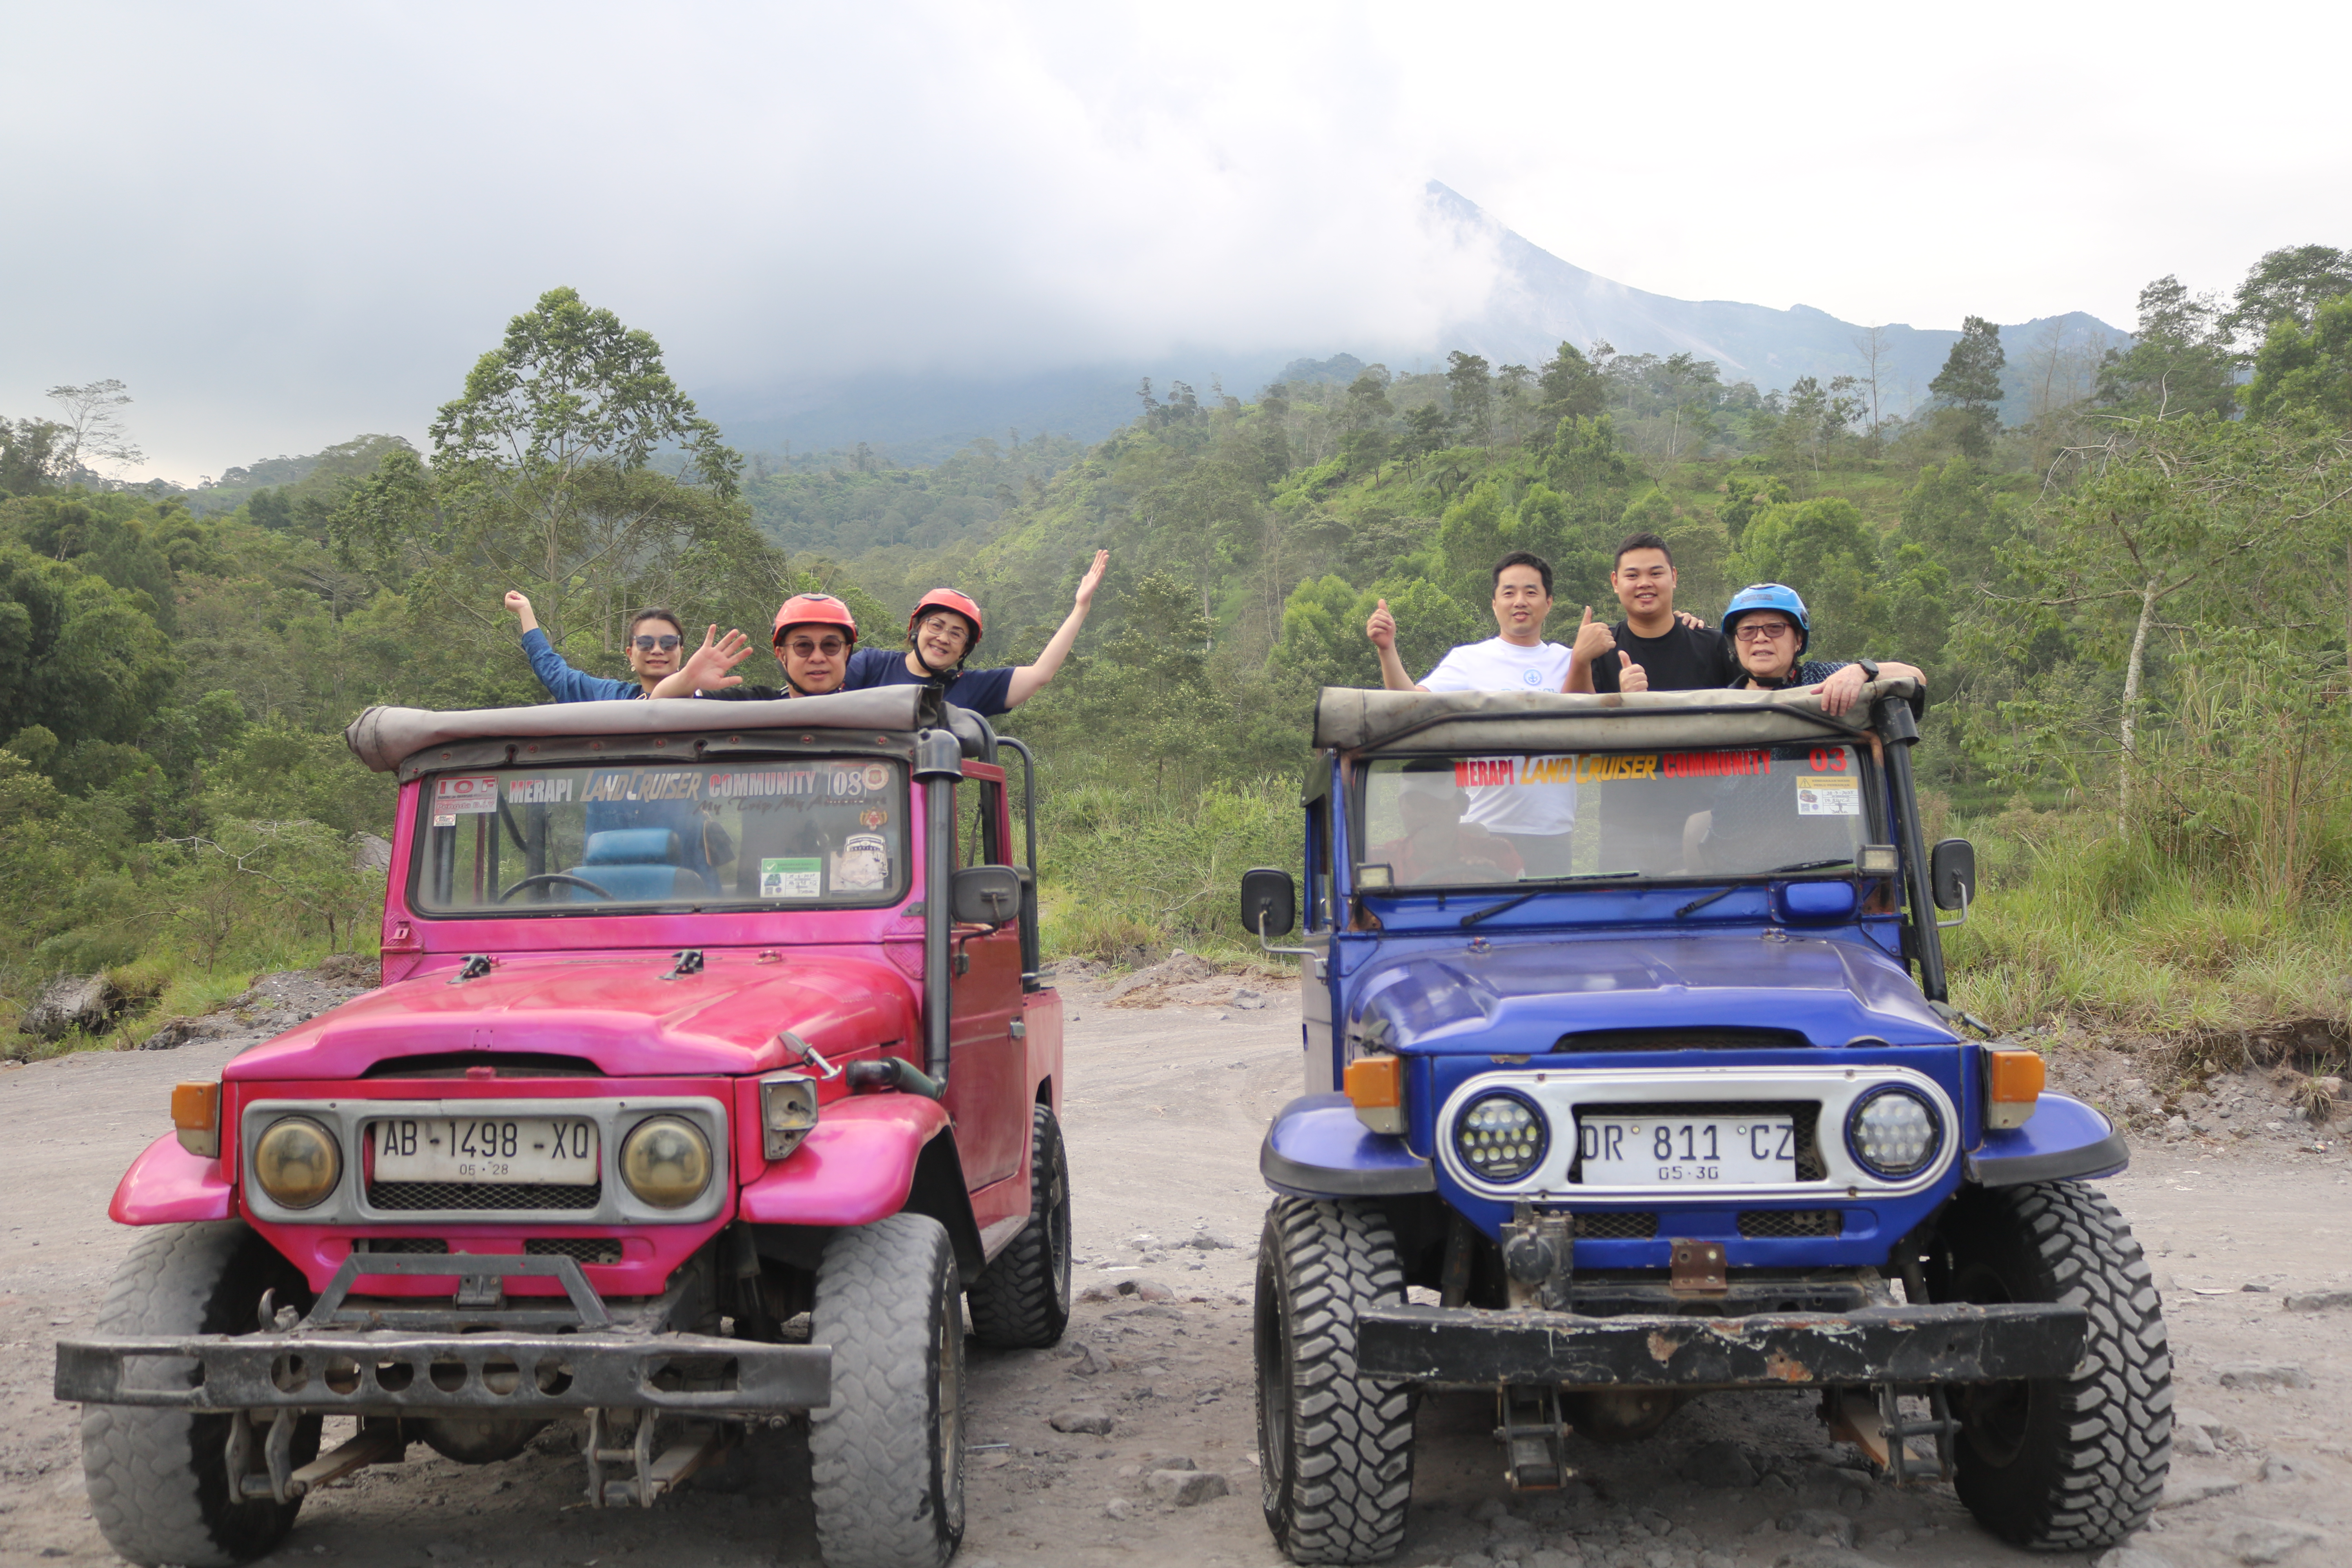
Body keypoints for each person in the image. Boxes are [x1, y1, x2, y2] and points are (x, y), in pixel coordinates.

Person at [1364, 551, 1582, 875]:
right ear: (1495, 604)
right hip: (1483, 832)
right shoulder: (1470, 660)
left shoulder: (1572, 661)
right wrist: (1387, 649)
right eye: (1509, 593)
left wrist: (1684, 621)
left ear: (1549, 602)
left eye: (1531, 592)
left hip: (1553, 834)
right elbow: (1409, 707)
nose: (1520, 601)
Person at [840, 548, 1111, 716]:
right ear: (916, 628)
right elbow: (818, 698)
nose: (944, 638)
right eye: (936, 626)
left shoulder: (970, 688)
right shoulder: (871, 665)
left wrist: (1080, 608)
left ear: (965, 649)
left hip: (929, 804)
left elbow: (1040, 674)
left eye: (957, 634)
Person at [1718, 583, 1924, 717]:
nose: (1760, 638)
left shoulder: (1821, 679)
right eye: (1748, 630)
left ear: (1798, 640)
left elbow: (1916, 677)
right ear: (1734, 644)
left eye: (1775, 628)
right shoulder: (1722, 706)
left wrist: (1861, 671)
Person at [1567, 532, 1732, 695]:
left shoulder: (1715, 646)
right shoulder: (1600, 651)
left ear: (1674, 577)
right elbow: (1574, 716)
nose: (1645, 583)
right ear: (1616, 582)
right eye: (1632, 576)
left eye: (1656, 574)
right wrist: (1580, 659)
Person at [651, 593, 860, 701]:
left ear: (847, 652)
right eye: (803, 646)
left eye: (830, 646)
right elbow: (657, 705)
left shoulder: (869, 712)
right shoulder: (754, 706)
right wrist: (688, 679)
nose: (817, 657)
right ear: (781, 655)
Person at [505, 592, 684, 701]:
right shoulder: (614, 697)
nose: (657, 650)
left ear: (680, 652)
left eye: (669, 643)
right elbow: (556, 675)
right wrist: (525, 610)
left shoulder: (704, 697)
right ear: (630, 654)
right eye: (645, 643)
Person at [1370, 762, 1525, 886]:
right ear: (1400, 807)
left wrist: (1495, 886)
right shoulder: (1379, 861)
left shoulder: (1499, 854)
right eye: (1414, 804)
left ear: (1463, 805)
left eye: (1436, 804)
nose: (1423, 814)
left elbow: (1521, 912)